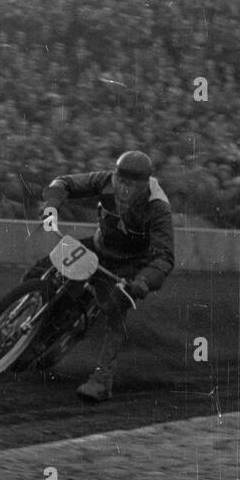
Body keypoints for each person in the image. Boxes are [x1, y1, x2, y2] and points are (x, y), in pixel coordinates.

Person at [32, 150, 175, 401]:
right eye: (120, 181)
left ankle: (101, 381)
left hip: (128, 265)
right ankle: (27, 323)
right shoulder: (105, 179)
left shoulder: (158, 207)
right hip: (98, 246)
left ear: (145, 185)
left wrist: (142, 281)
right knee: (39, 271)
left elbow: (164, 258)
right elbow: (64, 182)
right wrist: (51, 205)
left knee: (114, 312)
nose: (122, 188)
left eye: (131, 184)